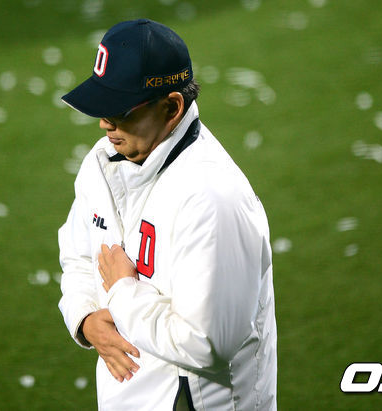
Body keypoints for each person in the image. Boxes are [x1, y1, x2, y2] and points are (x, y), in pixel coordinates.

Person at [58, 19, 277, 410]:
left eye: (119, 110)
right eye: (101, 107)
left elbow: (207, 345)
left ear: (172, 107)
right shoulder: (101, 164)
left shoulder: (212, 199)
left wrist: (122, 292)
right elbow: (77, 255)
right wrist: (85, 318)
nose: (105, 124)